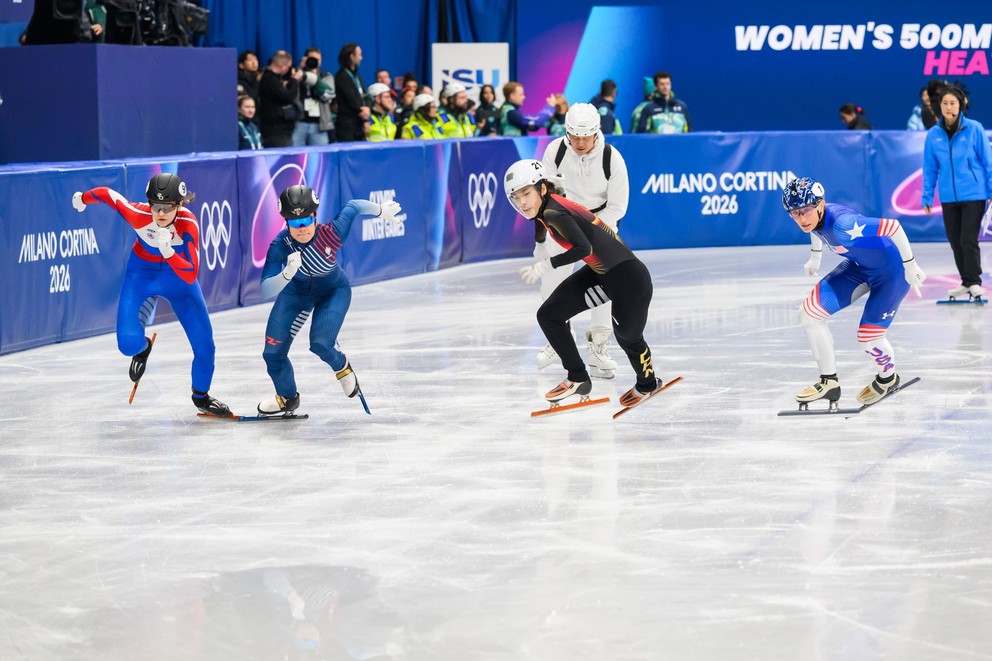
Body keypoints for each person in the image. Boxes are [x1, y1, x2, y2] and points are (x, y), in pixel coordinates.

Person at [504, 159, 661, 407]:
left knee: (628, 337)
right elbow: (548, 226)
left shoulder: (554, 212)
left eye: (526, 194)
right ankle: (578, 377)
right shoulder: (548, 207)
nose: (522, 202)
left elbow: (583, 248)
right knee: (549, 315)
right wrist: (541, 243)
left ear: (542, 189)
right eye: (516, 197)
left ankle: (648, 383)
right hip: (600, 274)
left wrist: (546, 265)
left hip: (629, 279)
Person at [71, 174, 231, 416]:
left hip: (178, 280)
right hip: (141, 276)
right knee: (127, 344)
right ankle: (142, 348)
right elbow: (109, 196)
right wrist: (83, 198)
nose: (161, 213)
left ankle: (201, 397)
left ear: (179, 205)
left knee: (205, 346)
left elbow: (190, 274)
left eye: (168, 207)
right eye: (155, 206)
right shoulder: (139, 214)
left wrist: (169, 252)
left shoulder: (188, 223)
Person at [256, 185, 402, 416]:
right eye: (294, 223)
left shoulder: (331, 233)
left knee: (321, 344)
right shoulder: (280, 245)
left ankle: (342, 367)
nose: (301, 228)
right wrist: (286, 275)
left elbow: (353, 206)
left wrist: (380, 210)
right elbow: (265, 289)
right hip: (295, 294)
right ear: (286, 223)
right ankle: (287, 397)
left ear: (315, 216)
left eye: (306, 220)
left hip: (332, 291)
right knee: (272, 354)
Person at [781, 177, 927, 407]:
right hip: (859, 268)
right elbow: (815, 230)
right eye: (794, 213)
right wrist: (815, 257)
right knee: (808, 314)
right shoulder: (815, 217)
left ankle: (888, 379)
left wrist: (910, 266)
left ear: (820, 204)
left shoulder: (844, 225)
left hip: (892, 274)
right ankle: (828, 382)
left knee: (869, 339)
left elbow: (894, 227)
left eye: (805, 211)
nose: (801, 219)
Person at [529, 102, 630, 380]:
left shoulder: (612, 158)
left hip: (601, 225)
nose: (581, 142)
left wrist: (591, 230)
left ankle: (599, 346)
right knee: (551, 281)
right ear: (567, 132)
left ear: (597, 133)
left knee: (603, 285)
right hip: (561, 224)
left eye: (586, 137)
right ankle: (559, 336)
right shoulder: (555, 151)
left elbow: (618, 206)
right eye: (575, 137)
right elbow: (545, 193)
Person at [921, 85, 992, 299]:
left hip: (974, 194)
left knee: (967, 239)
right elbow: (930, 168)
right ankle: (966, 282)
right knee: (955, 241)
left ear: (960, 105)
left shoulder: (974, 129)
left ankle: (974, 281)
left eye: (952, 103)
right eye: (945, 103)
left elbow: (987, 162)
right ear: (939, 106)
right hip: (948, 196)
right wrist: (926, 197)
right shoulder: (933, 135)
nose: (948, 107)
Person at [258, 50, 304, 148]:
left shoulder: (272, 78)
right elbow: (289, 97)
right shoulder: (270, 80)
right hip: (276, 132)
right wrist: (295, 80)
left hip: (281, 130)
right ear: (284, 67)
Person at [292, 47, 335, 146]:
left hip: (319, 125)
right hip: (298, 123)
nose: (315, 62)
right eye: (312, 59)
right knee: (295, 154)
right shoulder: (296, 73)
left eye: (318, 59)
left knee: (319, 154)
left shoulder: (326, 76)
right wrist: (300, 69)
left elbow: (328, 95)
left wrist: (314, 78)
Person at [334, 43, 370, 142]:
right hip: (347, 127)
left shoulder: (357, 77)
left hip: (359, 125)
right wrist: (363, 114)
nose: (361, 58)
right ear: (352, 57)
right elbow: (352, 99)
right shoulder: (341, 76)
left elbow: (366, 95)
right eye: (359, 55)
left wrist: (367, 108)